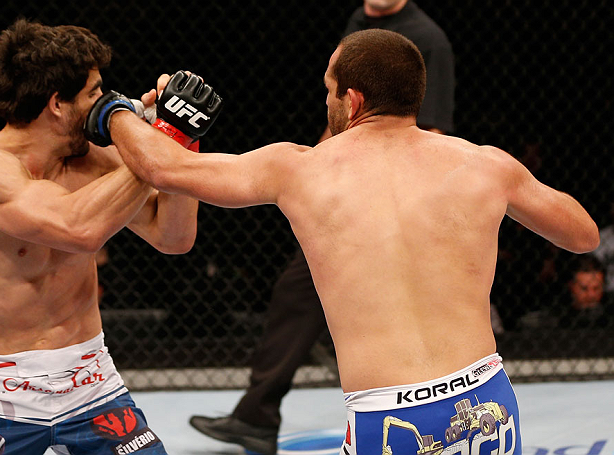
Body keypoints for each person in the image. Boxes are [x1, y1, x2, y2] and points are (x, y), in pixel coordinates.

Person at [98, 29, 599, 454]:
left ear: (353, 99)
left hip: (391, 418)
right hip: (489, 399)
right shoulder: (485, 163)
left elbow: (162, 168)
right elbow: (583, 235)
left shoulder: (300, 170)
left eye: (329, 90)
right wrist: (507, 190)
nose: (325, 100)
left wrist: (109, 110)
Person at [0, 18, 221, 455]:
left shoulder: (96, 161)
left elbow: (173, 237)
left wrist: (181, 143)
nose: (108, 101)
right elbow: (78, 229)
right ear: (57, 104)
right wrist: (159, 140)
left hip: (93, 385)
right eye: (94, 92)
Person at [189, 0, 455, 451]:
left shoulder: (427, 39)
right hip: (343, 188)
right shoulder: (360, 22)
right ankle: (256, 413)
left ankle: (262, 412)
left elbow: (429, 134)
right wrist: (318, 172)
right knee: (298, 293)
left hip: (390, 199)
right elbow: (346, 116)